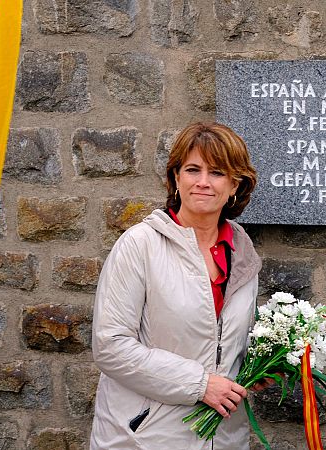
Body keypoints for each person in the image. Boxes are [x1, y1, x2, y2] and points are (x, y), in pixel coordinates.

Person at [90, 122, 262, 449]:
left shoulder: (242, 251)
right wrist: (200, 384)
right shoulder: (140, 245)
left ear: (234, 184)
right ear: (176, 178)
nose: (203, 182)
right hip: (145, 437)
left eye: (217, 173)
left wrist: (261, 367)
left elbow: (226, 343)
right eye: (193, 169)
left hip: (223, 438)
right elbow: (110, 346)